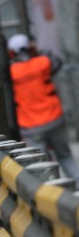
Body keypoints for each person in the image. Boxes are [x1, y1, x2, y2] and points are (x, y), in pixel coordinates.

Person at [8, 34, 79, 180]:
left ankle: (51, 194)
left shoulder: (12, 72)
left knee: (41, 164)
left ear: (12, 52)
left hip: (31, 126)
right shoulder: (43, 63)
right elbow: (57, 61)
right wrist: (37, 51)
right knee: (65, 156)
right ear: (30, 47)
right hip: (54, 119)